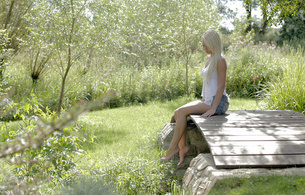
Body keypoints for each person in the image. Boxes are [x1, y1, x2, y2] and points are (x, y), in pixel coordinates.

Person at [161, 29, 229, 166]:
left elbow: (221, 86)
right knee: (177, 112)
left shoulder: (220, 60)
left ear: (213, 43)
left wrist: (214, 107)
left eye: (206, 45)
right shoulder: (210, 59)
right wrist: (203, 99)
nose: (204, 48)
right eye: (203, 45)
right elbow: (207, 82)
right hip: (208, 100)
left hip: (218, 101)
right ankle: (182, 148)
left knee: (181, 112)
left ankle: (173, 148)